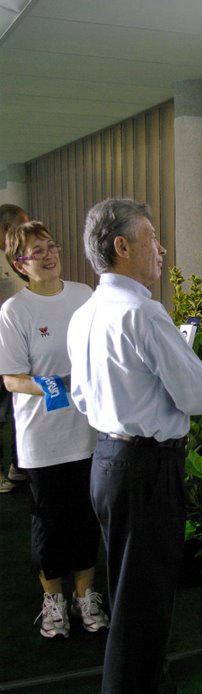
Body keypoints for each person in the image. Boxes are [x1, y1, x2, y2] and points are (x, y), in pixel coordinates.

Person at [67, 198, 202, 694]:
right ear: (122, 246)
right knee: (138, 605)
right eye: (152, 237)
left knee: (139, 595)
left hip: (109, 460)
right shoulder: (142, 313)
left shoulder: (85, 314)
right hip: (145, 469)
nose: (162, 249)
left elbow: (81, 397)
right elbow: (197, 395)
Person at [0, 221, 109, 638]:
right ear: (19, 264)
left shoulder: (84, 296)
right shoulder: (15, 311)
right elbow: (12, 378)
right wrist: (56, 386)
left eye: (51, 246)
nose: (49, 255)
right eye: (37, 251)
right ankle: (53, 602)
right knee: (49, 524)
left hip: (87, 433)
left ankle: (85, 596)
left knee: (85, 520)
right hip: (41, 440)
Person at [0, 203, 29, 492]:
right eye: (22, 225)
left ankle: (18, 466)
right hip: (1, 346)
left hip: (20, 344)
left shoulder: (17, 258)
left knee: (18, 406)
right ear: (7, 229)